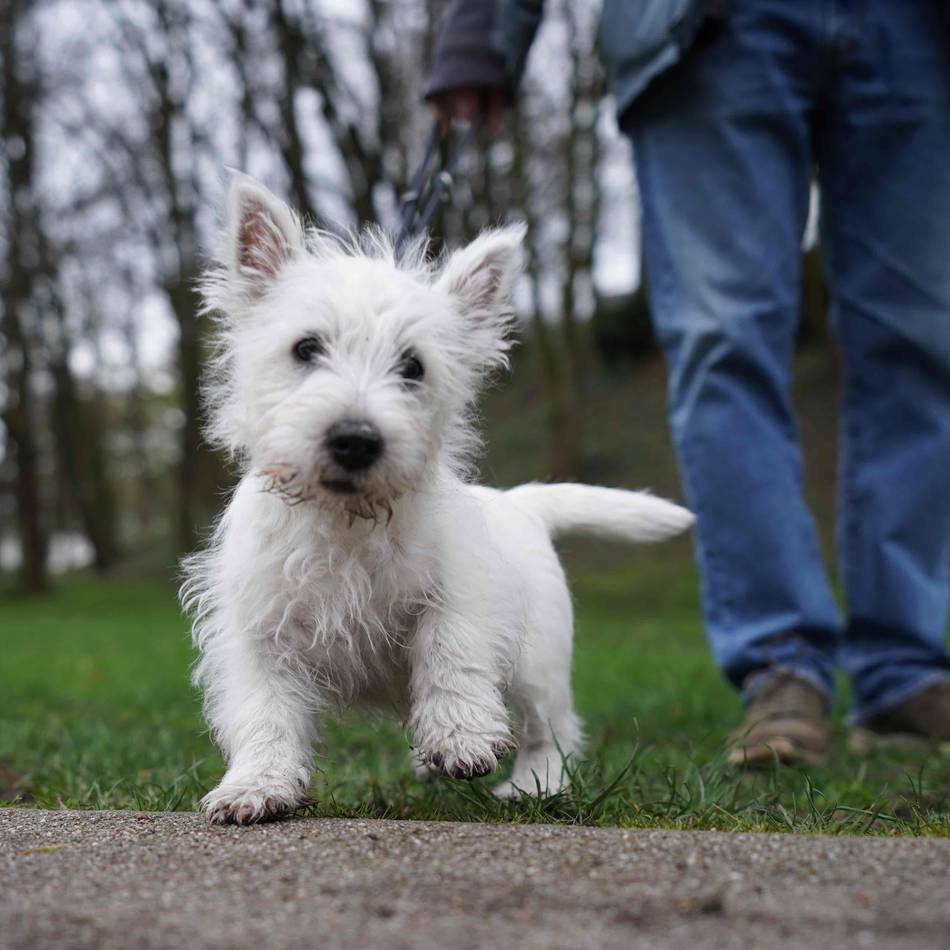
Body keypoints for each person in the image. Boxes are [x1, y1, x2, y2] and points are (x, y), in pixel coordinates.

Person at [423, 0, 950, 764]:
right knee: (723, 340)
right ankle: (780, 664)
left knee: (920, 344)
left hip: (916, 28)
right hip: (709, 26)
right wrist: (483, 30)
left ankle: (904, 668)